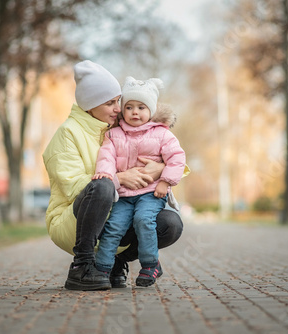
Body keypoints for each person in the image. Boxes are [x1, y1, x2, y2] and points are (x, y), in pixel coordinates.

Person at [42, 60, 186, 291]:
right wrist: (121, 178)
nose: (119, 108)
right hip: (72, 220)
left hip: (117, 211)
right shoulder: (67, 134)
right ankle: (82, 265)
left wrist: (160, 169)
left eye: (118, 101)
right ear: (91, 105)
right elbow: (74, 187)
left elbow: (171, 155)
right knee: (103, 185)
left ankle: (115, 262)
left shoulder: (119, 126)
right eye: (110, 103)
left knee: (170, 224)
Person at [93, 76, 186, 287]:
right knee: (114, 227)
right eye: (129, 107)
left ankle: (150, 265)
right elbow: (106, 157)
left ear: (151, 110)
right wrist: (106, 176)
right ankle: (102, 269)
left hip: (150, 193)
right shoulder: (114, 134)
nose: (135, 112)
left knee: (144, 220)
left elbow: (177, 158)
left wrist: (166, 181)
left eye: (141, 107)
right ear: (123, 110)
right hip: (124, 195)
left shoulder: (162, 134)